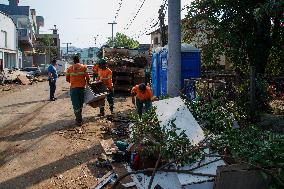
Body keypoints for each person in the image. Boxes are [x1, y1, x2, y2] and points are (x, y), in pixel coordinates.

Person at [66, 55, 90, 126]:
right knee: (80, 103)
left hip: (73, 89)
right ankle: (79, 119)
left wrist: (73, 81)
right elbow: (88, 78)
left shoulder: (70, 68)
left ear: (74, 61)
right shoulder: (84, 67)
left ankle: (78, 120)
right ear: (79, 60)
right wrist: (88, 85)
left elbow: (67, 79)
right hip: (82, 89)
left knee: (75, 104)